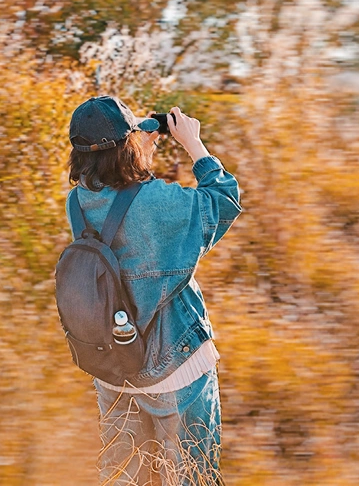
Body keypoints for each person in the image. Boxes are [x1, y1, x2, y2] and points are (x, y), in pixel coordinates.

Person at [65, 96, 242, 486]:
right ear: (127, 145)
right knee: (192, 477)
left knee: (125, 478)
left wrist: (138, 142)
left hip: (112, 368)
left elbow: (118, 193)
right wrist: (193, 143)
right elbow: (224, 200)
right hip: (175, 369)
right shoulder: (157, 204)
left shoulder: (76, 202)